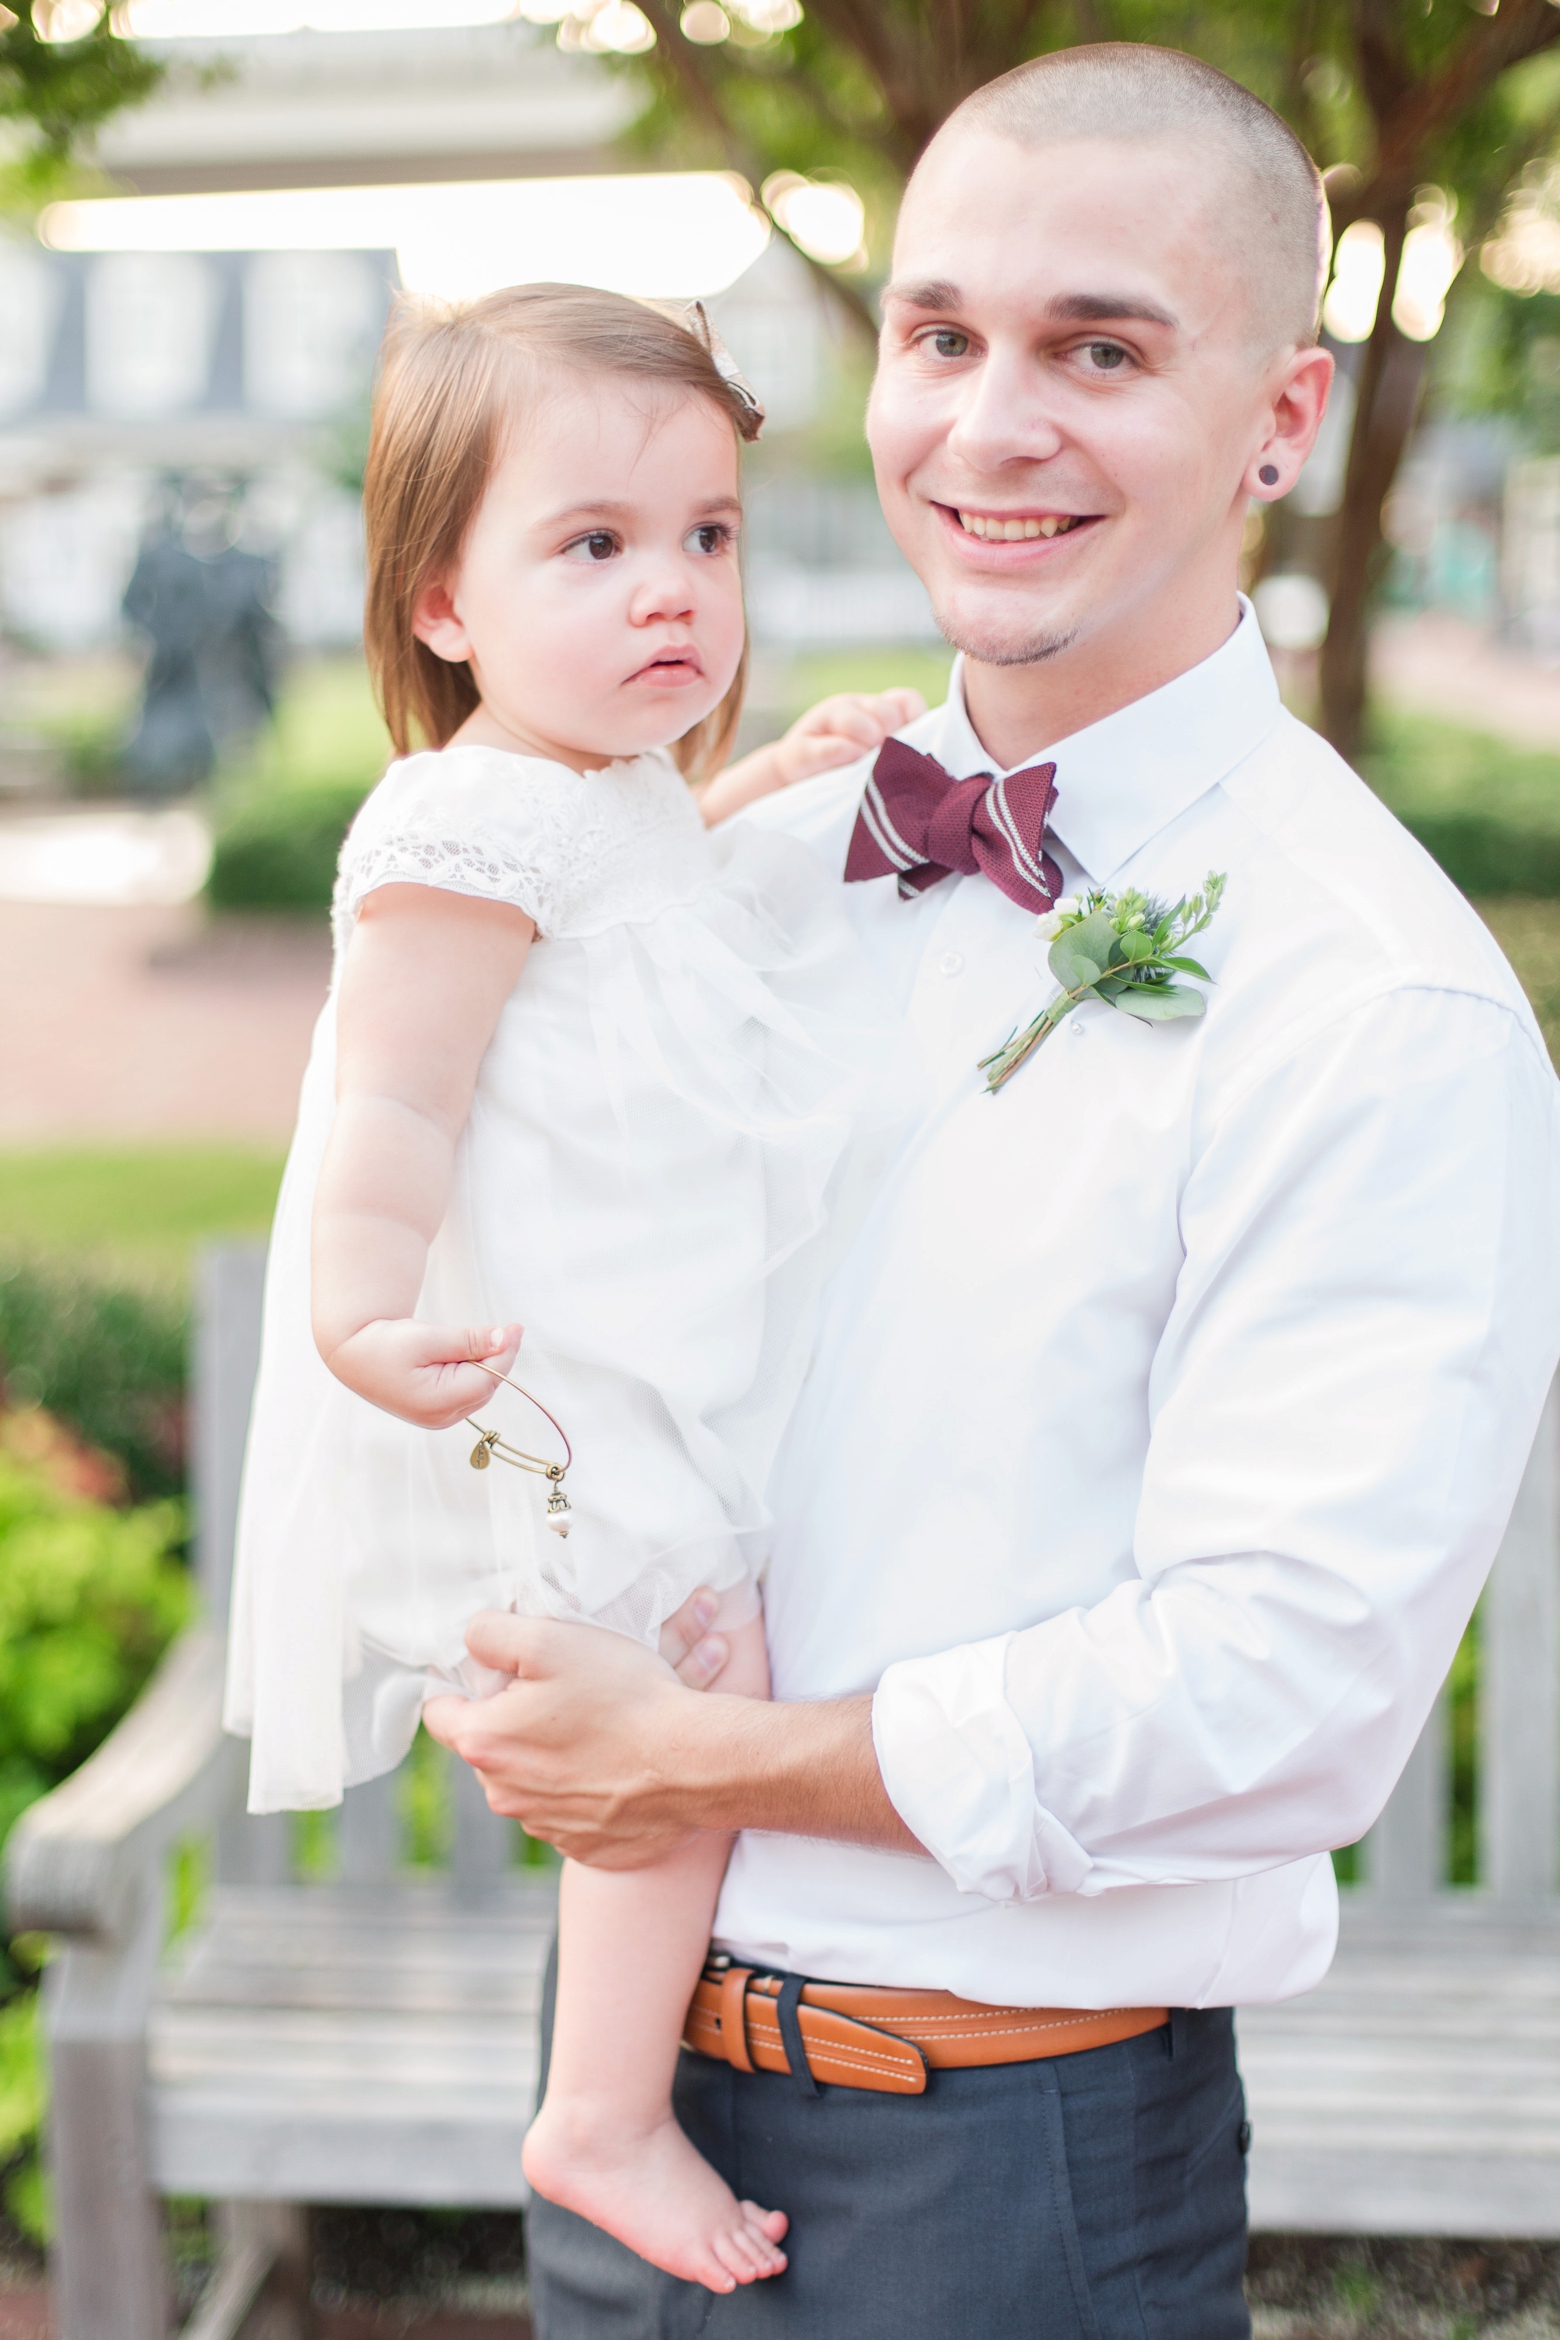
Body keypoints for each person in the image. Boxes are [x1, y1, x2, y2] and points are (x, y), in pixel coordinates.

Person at [423, 45, 1560, 2340]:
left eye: (1099, 350)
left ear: (1283, 418)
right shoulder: (753, 849)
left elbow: (1277, 1696)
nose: (987, 424)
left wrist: (695, 1760)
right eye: (940, 336)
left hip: (1008, 2182)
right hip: (623, 2134)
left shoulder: (1376, 1002)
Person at [222, 283, 924, 2295]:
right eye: (595, 546)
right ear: (444, 602)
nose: (671, 592)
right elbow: (393, 1110)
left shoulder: (601, 792)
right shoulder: (452, 824)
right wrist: (360, 1313)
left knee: (707, 1685)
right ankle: (601, 2111)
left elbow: (636, 910)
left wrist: (758, 782)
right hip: (561, 1388)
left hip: (650, 1350)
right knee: (677, 1721)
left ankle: (613, 2089)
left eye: (706, 537)